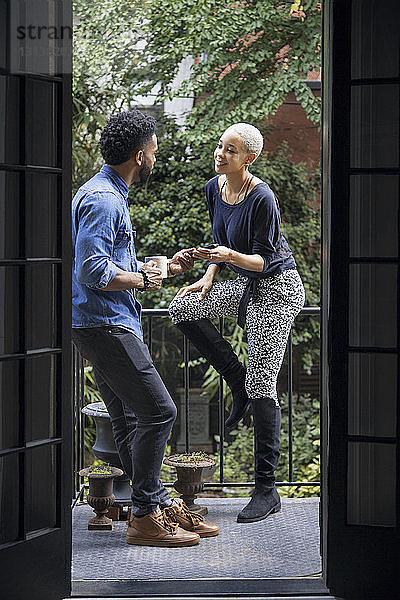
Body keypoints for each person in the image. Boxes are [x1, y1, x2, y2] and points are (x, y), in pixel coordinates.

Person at [72, 109, 219, 546]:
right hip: (104, 325)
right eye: (154, 149)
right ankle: (148, 512)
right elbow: (92, 270)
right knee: (160, 411)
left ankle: (146, 505)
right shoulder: (104, 199)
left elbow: (109, 261)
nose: (156, 155)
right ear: (141, 155)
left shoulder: (105, 192)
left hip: (102, 323)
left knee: (128, 415)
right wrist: (144, 279)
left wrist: (158, 267)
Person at [169, 123, 305, 524]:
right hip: (244, 281)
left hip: (277, 288)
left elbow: (264, 260)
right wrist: (209, 274)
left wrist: (227, 258)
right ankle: (235, 378)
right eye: (219, 146)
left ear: (250, 158)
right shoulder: (216, 188)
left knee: (264, 384)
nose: (220, 154)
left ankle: (267, 489)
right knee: (182, 308)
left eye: (231, 150)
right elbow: (219, 240)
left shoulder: (262, 197)